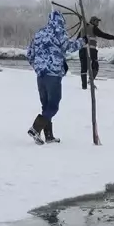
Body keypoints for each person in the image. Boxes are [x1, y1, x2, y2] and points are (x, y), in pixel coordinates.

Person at [26, 11, 85, 144]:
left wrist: (37, 66)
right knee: (53, 106)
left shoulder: (39, 33)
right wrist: (83, 41)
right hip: (53, 74)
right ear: (61, 22)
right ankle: (35, 128)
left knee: (46, 106)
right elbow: (68, 47)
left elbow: (29, 53)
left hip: (40, 75)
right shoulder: (59, 32)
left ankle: (49, 136)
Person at [78, 16, 114, 91]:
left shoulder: (82, 29)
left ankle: (84, 87)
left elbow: (77, 40)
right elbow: (103, 35)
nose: (98, 23)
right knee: (95, 66)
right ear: (93, 21)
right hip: (91, 50)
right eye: (97, 21)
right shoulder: (93, 28)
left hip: (82, 50)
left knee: (84, 68)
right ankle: (90, 81)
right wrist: (113, 38)